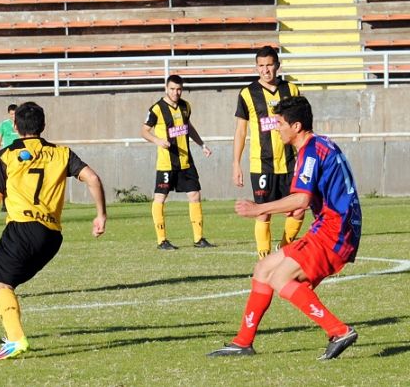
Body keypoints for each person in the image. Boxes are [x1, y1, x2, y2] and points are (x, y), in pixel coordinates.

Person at [209, 96, 361, 360]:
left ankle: (339, 330)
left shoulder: (310, 151)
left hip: (334, 230)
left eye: (280, 123)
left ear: (297, 126)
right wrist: (306, 204)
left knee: (281, 278)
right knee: (264, 268)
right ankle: (243, 342)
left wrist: (259, 209)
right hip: (332, 225)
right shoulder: (319, 144)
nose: (276, 128)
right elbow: (314, 193)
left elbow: (301, 197)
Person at [0, 101, 107, 361]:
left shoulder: (5, 156)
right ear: (43, 125)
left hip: (21, 229)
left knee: (1, 283)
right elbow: (92, 178)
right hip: (51, 235)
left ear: (15, 126)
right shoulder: (62, 153)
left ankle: (15, 338)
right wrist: (100, 214)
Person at [233, 46, 305, 259]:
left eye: (270, 65)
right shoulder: (247, 94)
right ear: (256, 67)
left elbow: (302, 123)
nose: (266, 70)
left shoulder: (291, 89)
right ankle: (264, 262)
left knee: (298, 209)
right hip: (262, 164)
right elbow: (240, 130)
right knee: (262, 213)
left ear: (277, 66)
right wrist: (236, 163)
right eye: (261, 66)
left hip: (291, 161)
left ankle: (283, 250)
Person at [140, 74, 214, 250]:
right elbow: (144, 131)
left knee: (195, 195)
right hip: (166, 164)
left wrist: (202, 144)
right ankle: (161, 240)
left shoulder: (186, 106)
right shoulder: (156, 109)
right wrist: (158, 141)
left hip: (186, 161)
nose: (176, 92)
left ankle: (199, 239)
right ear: (166, 88)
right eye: (172, 89)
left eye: (179, 89)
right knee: (160, 198)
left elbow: (189, 127)